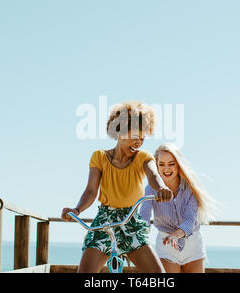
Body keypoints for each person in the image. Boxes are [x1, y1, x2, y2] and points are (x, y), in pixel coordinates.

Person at [61, 101, 173, 273]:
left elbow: (154, 176)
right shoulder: (99, 157)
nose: (139, 143)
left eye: (143, 138)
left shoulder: (143, 157)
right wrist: (77, 210)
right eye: (135, 137)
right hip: (105, 222)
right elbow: (91, 191)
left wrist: (161, 189)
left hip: (131, 222)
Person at [140, 143, 218, 273]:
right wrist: (139, 236)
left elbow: (190, 220)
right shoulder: (150, 189)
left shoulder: (190, 188)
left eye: (171, 164)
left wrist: (176, 235)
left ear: (178, 165)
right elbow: (144, 216)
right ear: (156, 166)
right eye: (161, 164)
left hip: (192, 245)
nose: (166, 169)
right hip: (166, 245)